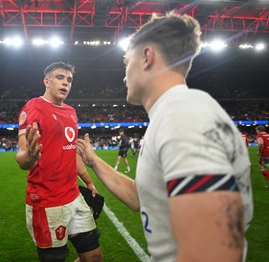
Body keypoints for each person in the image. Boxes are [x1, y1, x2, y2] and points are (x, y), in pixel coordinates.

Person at [76, 12, 253, 261]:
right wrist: (94, 161)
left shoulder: (182, 117)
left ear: (147, 56)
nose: (124, 75)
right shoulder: (172, 115)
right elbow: (142, 197)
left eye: (127, 61)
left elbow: (216, 247)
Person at [15, 62, 103, 262]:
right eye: (60, 78)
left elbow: (71, 152)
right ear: (46, 81)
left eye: (69, 80)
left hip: (74, 197)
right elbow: (22, 158)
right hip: (47, 203)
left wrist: (87, 181)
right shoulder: (33, 107)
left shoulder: (71, 112)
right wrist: (30, 155)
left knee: (94, 257)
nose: (65, 83)